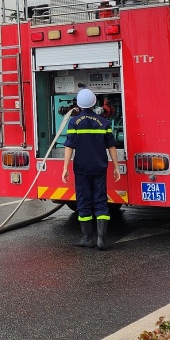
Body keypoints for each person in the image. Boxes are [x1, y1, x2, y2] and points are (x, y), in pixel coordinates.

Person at [61, 89, 121, 250]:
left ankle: (88, 238)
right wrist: (116, 167)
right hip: (100, 167)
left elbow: (69, 147)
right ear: (94, 103)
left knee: (84, 202)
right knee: (101, 201)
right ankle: (102, 240)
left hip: (82, 169)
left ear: (79, 104)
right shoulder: (104, 122)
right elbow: (111, 146)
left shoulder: (74, 122)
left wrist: (65, 168)